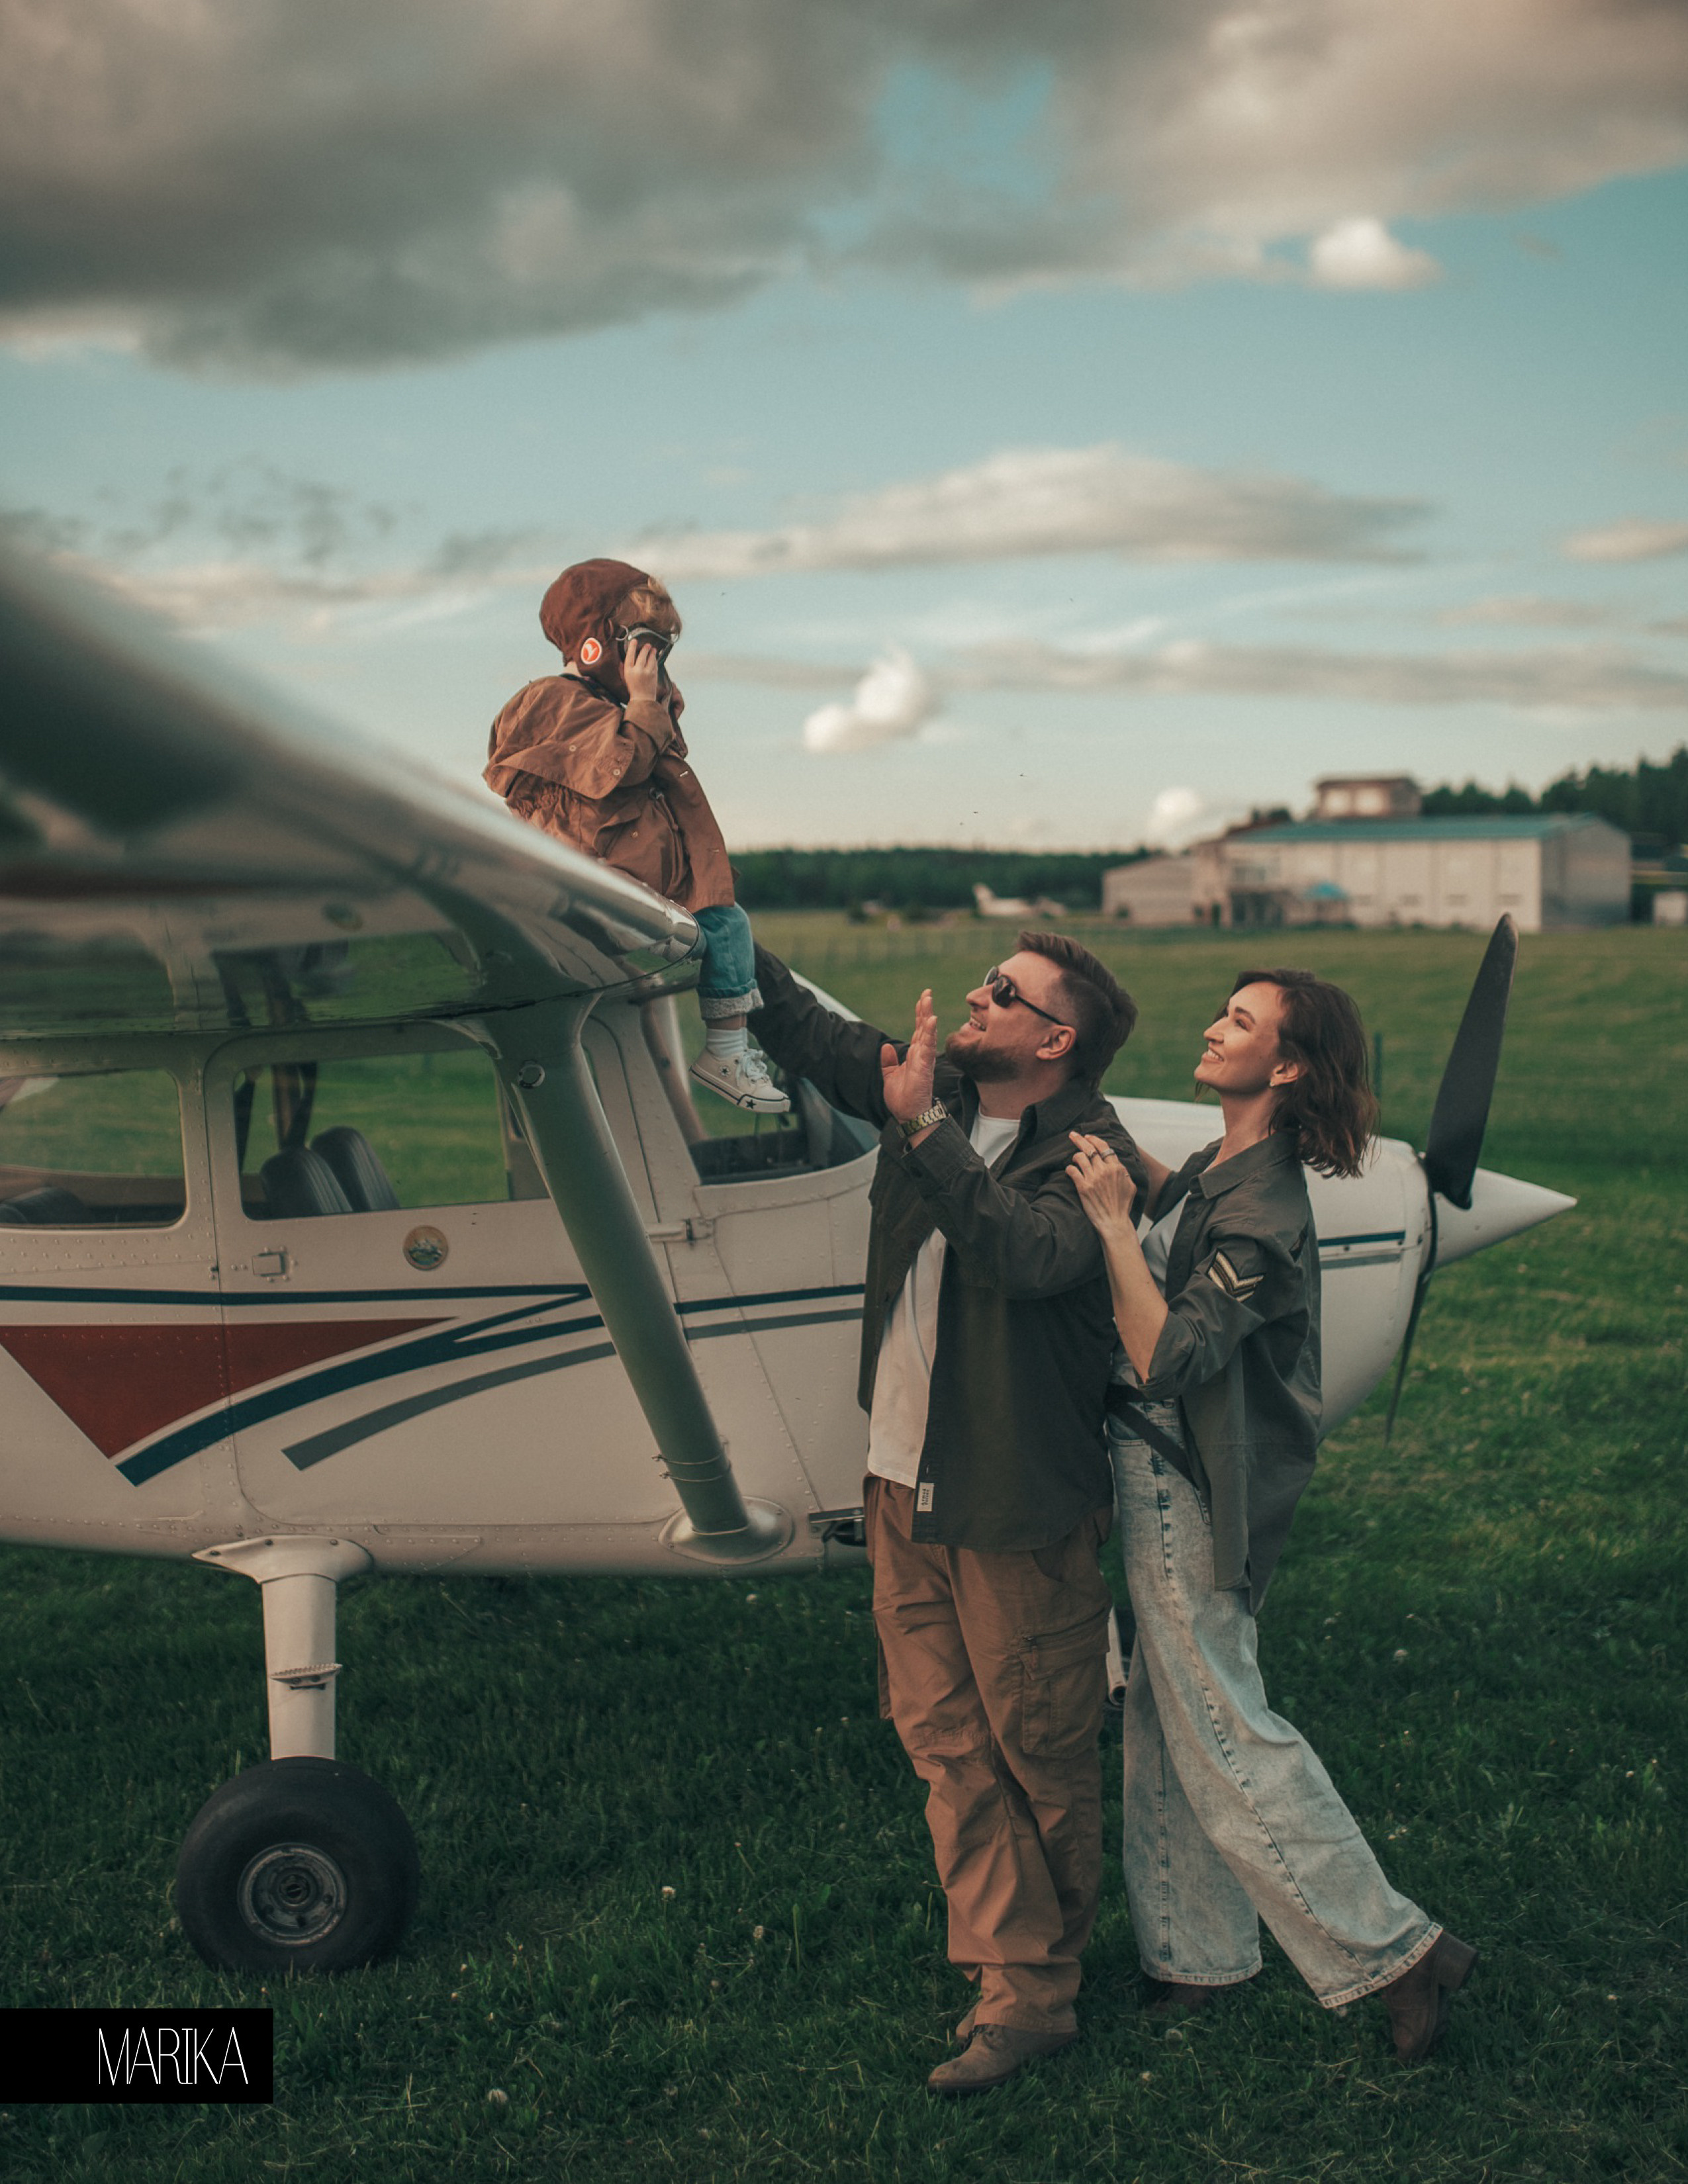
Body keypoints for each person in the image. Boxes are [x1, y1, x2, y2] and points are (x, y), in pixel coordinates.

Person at [748, 933, 1143, 2095]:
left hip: (1014, 1500)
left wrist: (921, 1127)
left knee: (1038, 1748)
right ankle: (1012, 1978)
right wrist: (711, 922)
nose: (977, 995)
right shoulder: (943, 1091)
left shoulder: (1094, 1154)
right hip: (898, 1480)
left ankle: (1034, 1993)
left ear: (1056, 1040)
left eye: (1004, 992)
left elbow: (1027, 1256)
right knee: (945, 1744)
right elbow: (804, 1032)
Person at [1066, 968, 1477, 2064]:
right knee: (1166, 1727)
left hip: (1187, 1487)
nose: (1212, 1026)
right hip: (1166, 1476)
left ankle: (1398, 1952)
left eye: (1239, 1022)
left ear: (1286, 1067)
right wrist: (1094, 1124)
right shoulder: (1225, 1166)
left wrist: (1110, 1227)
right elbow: (1179, 1208)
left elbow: (1166, 1356)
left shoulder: (1267, 1210)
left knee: (1229, 1738)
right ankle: (1196, 1960)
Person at [485, 557, 788, 1114]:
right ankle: (725, 1052)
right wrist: (646, 706)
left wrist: (655, 704)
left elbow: (651, 766)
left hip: (641, 886)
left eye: (663, 650)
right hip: (593, 888)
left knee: (726, 923)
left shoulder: (613, 708)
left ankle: (727, 1050)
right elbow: (617, 769)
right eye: (644, 643)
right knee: (725, 926)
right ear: (596, 644)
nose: (654, 660)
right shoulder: (551, 702)